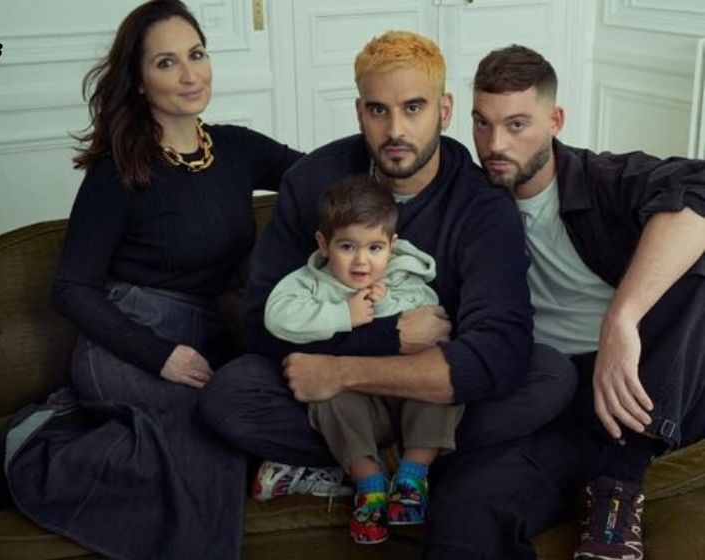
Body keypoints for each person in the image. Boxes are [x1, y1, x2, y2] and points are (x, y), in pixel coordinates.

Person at [0, 2, 301, 559]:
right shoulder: (121, 168)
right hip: (128, 338)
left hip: (205, 336)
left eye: (196, 55)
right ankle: (6, 467)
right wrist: (161, 357)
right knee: (204, 440)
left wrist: (404, 150)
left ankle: (49, 431)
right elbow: (72, 288)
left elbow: (320, 172)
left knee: (235, 423)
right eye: (167, 63)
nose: (190, 74)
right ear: (140, 81)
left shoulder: (237, 148)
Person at [198, 29, 577, 520]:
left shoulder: (481, 204)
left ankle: (363, 467)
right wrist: (387, 337)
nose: (396, 129)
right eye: (379, 110)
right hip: (348, 399)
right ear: (360, 113)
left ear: (443, 110)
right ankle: (408, 467)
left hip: (432, 393)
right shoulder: (313, 182)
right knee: (229, 396)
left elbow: (499, 349)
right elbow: (260, 324)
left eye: (413, 108)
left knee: (549, 375)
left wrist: (339, 370)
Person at [422, 44, 705, 560]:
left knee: (694, 268)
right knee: (464, 506)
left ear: (554, 120)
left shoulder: (601, 181)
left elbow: (700, 189)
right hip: (549, 395)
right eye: (482, 124)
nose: (494, 144)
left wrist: (622, 318)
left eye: (516, 125)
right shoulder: (468, 206)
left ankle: (620, 486)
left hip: (643, 383)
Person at [264, 174, 463, 544]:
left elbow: (433, 321)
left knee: (445, 377)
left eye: (374, 248)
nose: (361, 261)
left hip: (407, 394)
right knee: (327, 396)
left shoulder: (403, 276)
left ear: (392, 245)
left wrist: (386, 303)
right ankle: (368, 481)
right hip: (357, 404)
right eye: (347, 247)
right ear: (324, 244)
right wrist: (344, 315)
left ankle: (412, 473)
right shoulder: (309, 284)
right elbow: (277, 317)